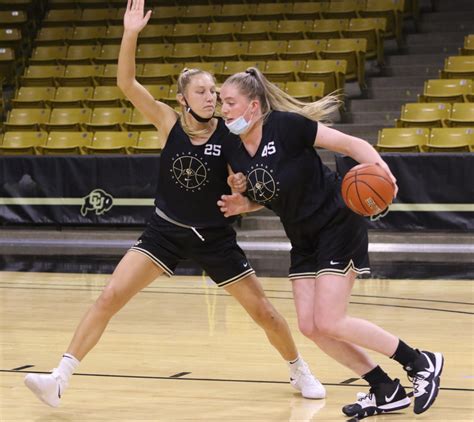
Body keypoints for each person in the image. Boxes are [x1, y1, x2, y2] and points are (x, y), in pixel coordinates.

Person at [23, 0, 325, 407]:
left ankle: (298, 367)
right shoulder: (167, 122)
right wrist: (130, 32)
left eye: (214, 92)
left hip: (214, 238)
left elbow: (253, 186)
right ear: (182, 99)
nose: (210, 97)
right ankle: (60, 376)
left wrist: (242, 188)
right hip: (164, 231)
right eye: (200, 92)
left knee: (265, 313)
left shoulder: (230, 137)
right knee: (109, 295)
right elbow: (127, 85)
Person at [217, 67, 444, 419]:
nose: (224, 109)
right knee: (310, 326)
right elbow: (274, 193)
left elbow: (352, 145)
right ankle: (385, 388)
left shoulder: (287, 126)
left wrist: (383, 171)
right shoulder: (235, 147)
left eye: (230, 102)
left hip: (336, 222)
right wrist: (243, 203)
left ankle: (419, 361)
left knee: (331, 320)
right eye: (221, 103)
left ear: (254, 105)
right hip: (301, 236)